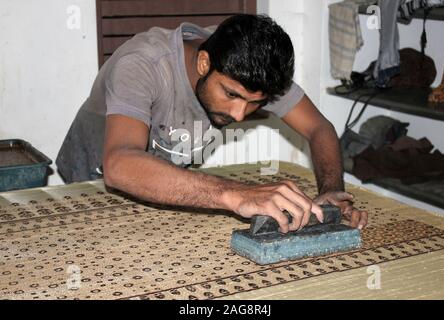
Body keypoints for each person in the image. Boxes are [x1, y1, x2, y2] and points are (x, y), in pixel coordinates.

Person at [56, 14, 368, 233]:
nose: (239, 114)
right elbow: (120, 165)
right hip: (93, 182)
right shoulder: (143, 64)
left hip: (165, 182)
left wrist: (331, 192)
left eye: (254, 102)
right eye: (230, 94)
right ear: (203, 63)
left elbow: (319, 128)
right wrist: (237, 194)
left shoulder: (247, 68)